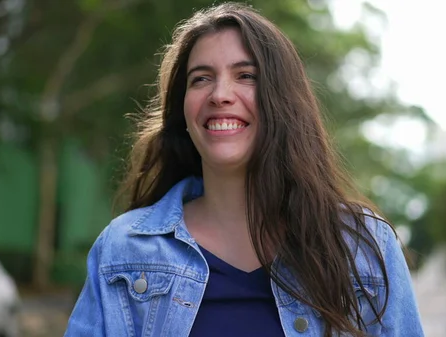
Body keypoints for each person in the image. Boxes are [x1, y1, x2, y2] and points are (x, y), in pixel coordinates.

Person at [64, 2, 424, 337]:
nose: (220, 94)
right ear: (183, 111)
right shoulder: (125, 249)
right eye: (201, 78)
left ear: (283, 101)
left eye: (246, 75)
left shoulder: (363, 248)